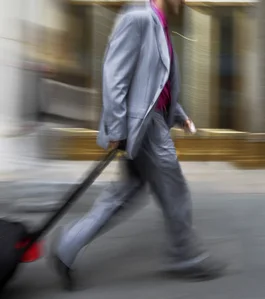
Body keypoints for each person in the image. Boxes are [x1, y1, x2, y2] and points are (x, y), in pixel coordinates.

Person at [48, 0, 226, 290]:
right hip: (146, 126)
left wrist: (179, 115)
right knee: (175, 190)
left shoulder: (159, 22)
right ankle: (185, 257)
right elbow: (115, 75)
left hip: (150, 121)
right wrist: (117, 127)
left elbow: (156, 84)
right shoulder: (138, 17)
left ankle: (67, 245)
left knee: (126, 192)